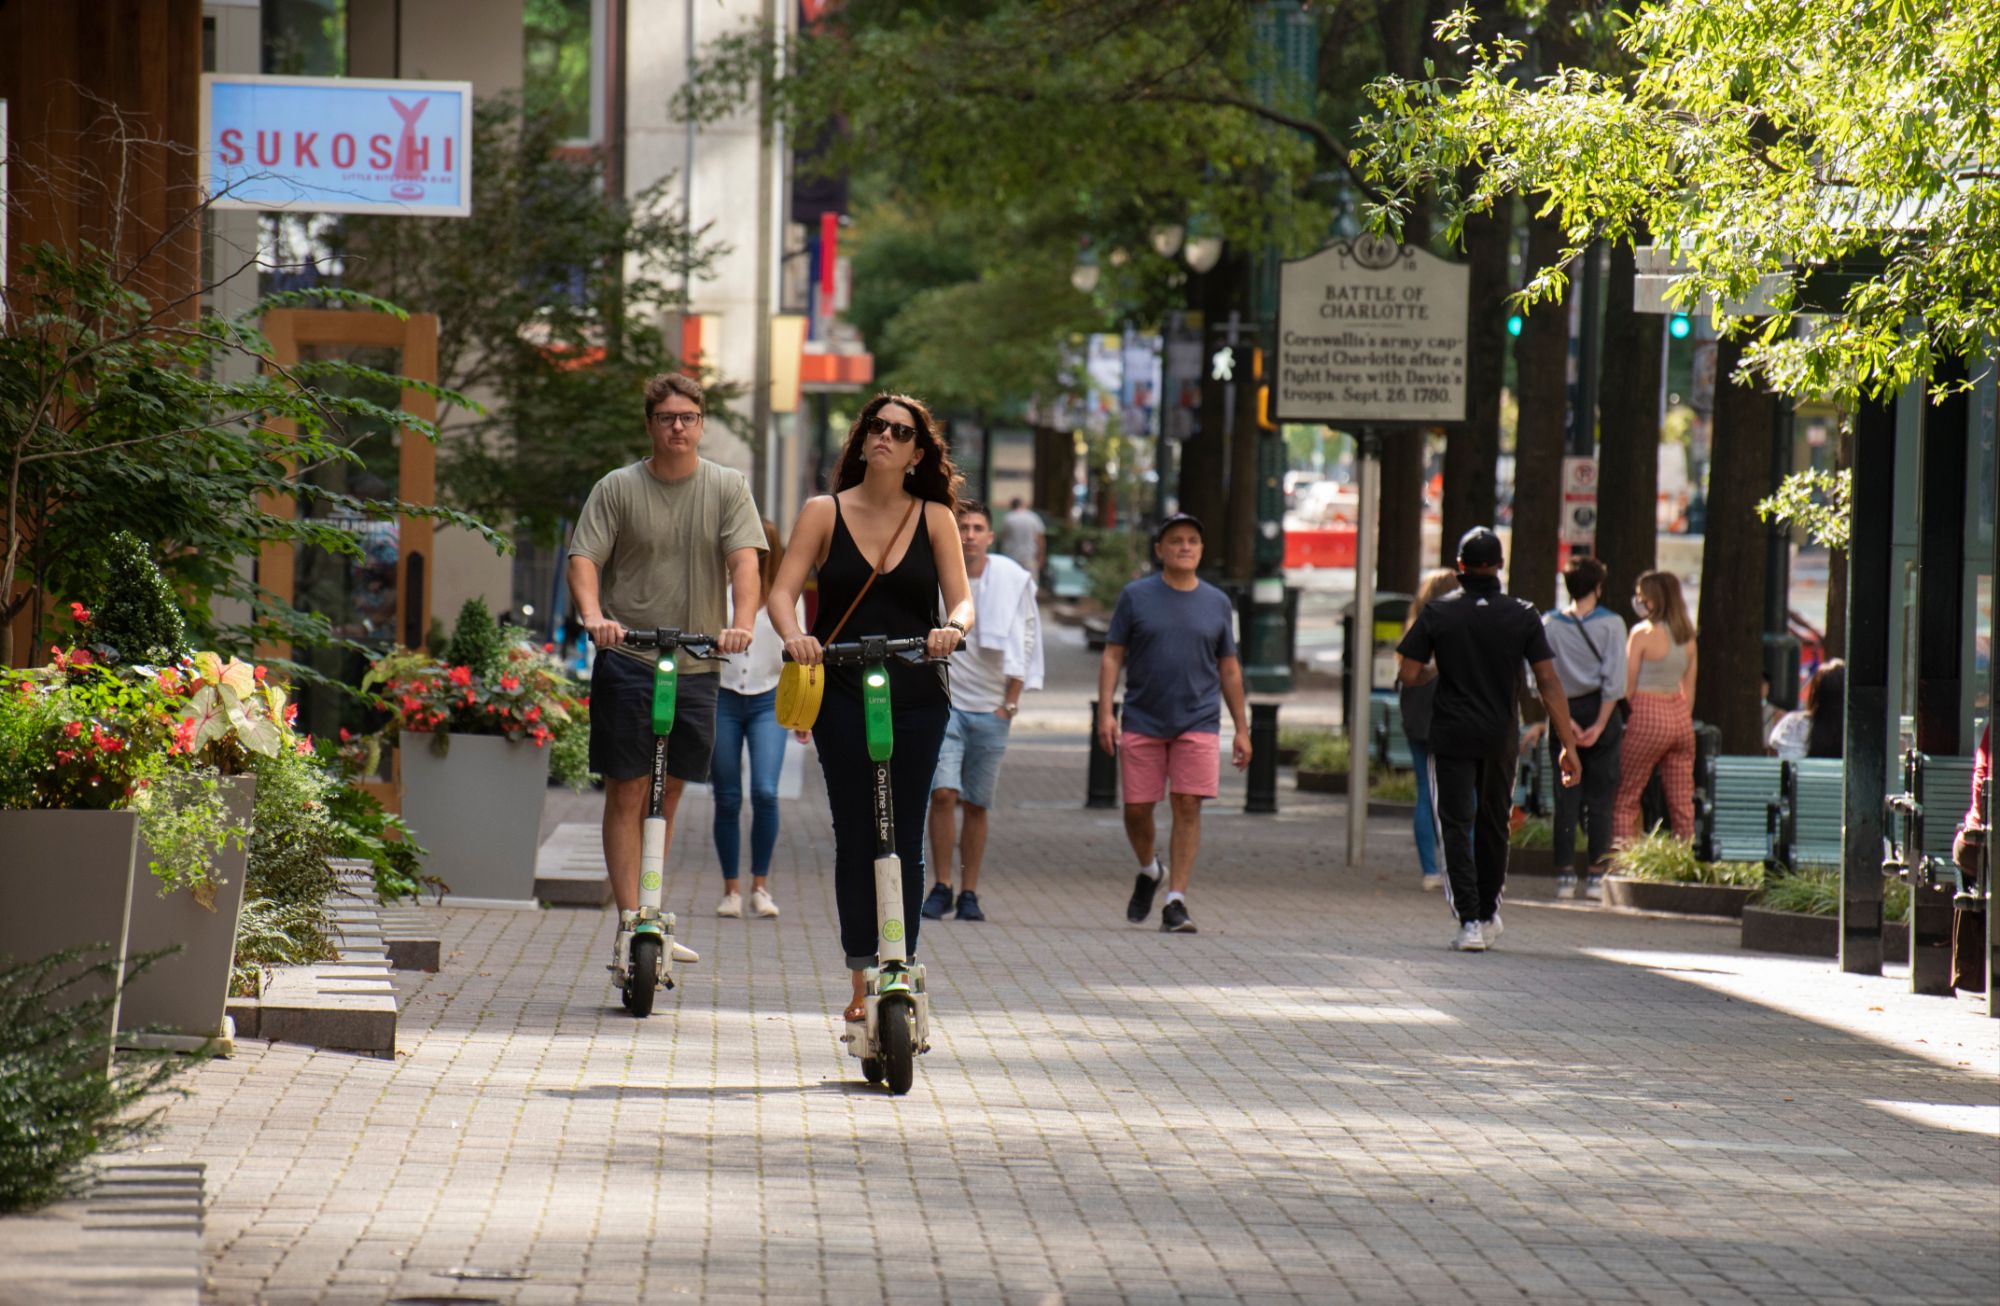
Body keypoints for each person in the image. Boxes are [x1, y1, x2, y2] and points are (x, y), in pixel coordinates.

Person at [767, 393, 973, 1025]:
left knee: (904, 835)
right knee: (856, 834)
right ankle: (861, 977)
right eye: (877, 426)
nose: (886, 436)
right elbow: (781, 593)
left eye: (901, 432)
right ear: (861, 439)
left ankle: (898, 968)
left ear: (917, 454)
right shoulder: (822, 512)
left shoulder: (935, 517)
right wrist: (795, 636)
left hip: (917, 693)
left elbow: (963, 600)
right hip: (841, 689)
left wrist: (952, 630)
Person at [567, 373, 765, 974]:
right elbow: (585, 558)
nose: (677, 427)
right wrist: (594, 616)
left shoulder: (727, 487)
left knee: (671, 787)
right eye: (666, 418)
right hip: (630, 655)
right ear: (649, 424)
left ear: (702, 424)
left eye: (688, 417)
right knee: (628, 787)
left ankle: (650, 909)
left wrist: (742, 623)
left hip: (698, 660)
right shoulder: (618, 487)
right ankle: (630, 921)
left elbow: (744, 563)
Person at [1397, 526, 1581, 952]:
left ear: (1460, 565)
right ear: (1499, 565)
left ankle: (1469, 922)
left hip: (1451, 734)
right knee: (1494, 823)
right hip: (1501, 735)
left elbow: (1408, 672)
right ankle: (1488, 911)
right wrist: (1568, 745)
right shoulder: (1523, 614)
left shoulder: (1438, 612)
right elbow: (1548, 681)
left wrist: (1435, 670)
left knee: (1455, 825)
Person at [1096, 512, 1251, 935]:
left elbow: (1229, 668)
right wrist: (1106, 712)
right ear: (1159, 550)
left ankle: (1176, 900)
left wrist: (1241, 728)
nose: (1185, 547)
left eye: (1192, 541)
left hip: (1198, 718)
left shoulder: (1217, 602)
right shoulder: (1135, 596)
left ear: (1201, 550)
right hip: (1143, 716)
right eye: (1176, 541)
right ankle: (1151, 869)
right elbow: (1113, 655)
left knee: (1187, 803)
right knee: (1137, 809)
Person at [924, 500, 1044, 923]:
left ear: (991, 536)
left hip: (992, 709)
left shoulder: (1012, 579)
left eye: (977, 528)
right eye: (963, 528)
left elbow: (1026, 636)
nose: (970, 535)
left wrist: (1009, 704)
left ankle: (969, 891)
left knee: (976, 803)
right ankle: (942, 885)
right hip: (947, 706)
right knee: (942, 794)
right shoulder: (935, 576)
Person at [711, 519, 807, 920]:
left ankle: (760, 887)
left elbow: (799, 653)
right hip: (723, 697)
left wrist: (803, 711)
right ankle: (731, 889)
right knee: (728, 796)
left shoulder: (789, 599)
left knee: (766, 792)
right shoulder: (719, 593)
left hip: (769, 699)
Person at [1540, 557, 1628, 900]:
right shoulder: (1612, 625)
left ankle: (1564, 874)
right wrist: (1600, 724)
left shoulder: (1549, 624)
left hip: (1563, 708)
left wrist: (1567, 723)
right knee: (1601, 799)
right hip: (1601, 710)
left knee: (1565, 796)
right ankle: (1595, 874)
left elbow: (1541, 679)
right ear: (1598, 587)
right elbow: (1615, 680)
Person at [1612, 569, 1699, 844]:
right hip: (1680, 718)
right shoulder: (1688, 637)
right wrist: (1681, 716)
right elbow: (1689, 690)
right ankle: (1685, 854)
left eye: (1642, 596)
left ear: (1655, 599)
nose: (1638, 601)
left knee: (1625, 797)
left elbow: (1627, 686)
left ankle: (1622, 857)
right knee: (1682, 801)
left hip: (1646, 715)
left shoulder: (1642, 633)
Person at [1400, 568, 1460, 892]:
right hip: (1450, 714)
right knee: (1461, 793)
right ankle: (1459, 866)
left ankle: (1430, 870)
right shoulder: (1460, 623)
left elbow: (1405, 672)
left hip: (1417, 714)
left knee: (1425, 790)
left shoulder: (1416, 624)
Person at [1768, 658, 1845, 762]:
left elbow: (1773, 754)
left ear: (1815, 693)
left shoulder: (1792, 724)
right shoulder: (1856, 732)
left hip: (1799, 773)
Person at [999, 497, 1047, 576]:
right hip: (1029, 557)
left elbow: (1003, 536)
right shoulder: (1033, 517)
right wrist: (1041, 556)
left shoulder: (1009, 518)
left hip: (1012, 558)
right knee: (1030, 582)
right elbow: (1040, 539)